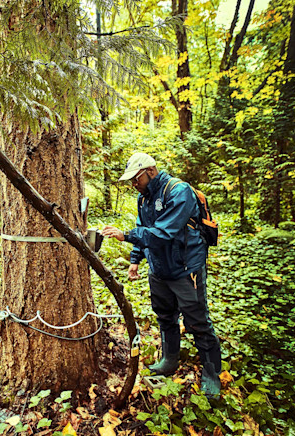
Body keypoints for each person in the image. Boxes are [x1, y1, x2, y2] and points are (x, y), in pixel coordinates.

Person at [101, 152, 222, 398]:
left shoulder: (179, 192)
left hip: (186, 267)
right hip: (159, 269)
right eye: (131, 181)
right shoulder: (143, 198)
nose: (134, 184)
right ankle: (169, 359)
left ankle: (211, 373)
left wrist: (126, 236)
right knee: (165, 315)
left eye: (136, 179)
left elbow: (163, 232)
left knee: (197, 321)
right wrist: (135, 259)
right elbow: (142, 227)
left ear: (151, 171)